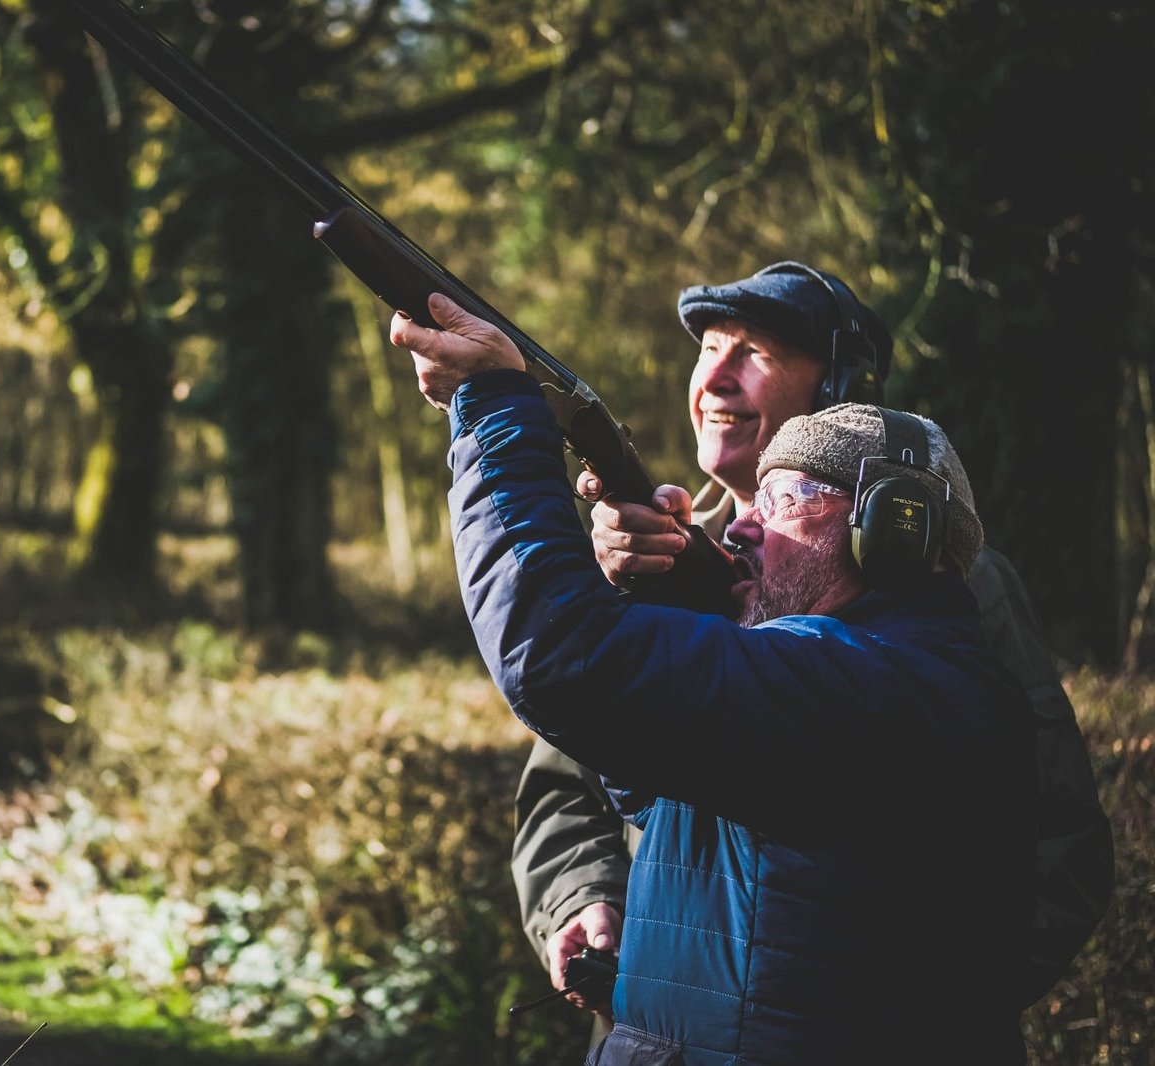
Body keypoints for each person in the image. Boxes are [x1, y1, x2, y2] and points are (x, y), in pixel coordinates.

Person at [393, 294, 1036, 1061]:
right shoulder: (850, 671)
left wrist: (497, 407)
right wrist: (666, 596)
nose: (744, 526)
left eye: (789, 499)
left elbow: (559, 656)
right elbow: (646, 780)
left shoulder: (880, 682)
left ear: (891, 533)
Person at [510, 263, 1112, 1024]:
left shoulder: (952, 584)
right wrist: (581, 897)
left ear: (842, 392)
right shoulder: (647, 557)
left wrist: (893, 1018)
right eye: (710, 349)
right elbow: (568, 776)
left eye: (756, 353)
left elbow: (1061, 847)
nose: (716, 376)